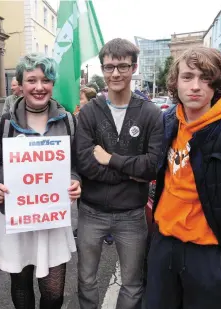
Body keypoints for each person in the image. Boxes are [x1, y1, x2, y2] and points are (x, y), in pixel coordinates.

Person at [0, 53, 81, 309]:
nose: (39, 87)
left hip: (52, 219)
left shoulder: (68, 121)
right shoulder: (4, 125)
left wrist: (74, 181)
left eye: (46, 80)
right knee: (21, 286)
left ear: (53, 84)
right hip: (17, 219)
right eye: (31, 80)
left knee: (54, 293)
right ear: (21, 84)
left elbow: (76, 167)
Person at [145, 47, 221, 309]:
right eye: (187, 77)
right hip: (164, 245)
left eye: (205, 77)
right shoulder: (168, 121)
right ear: (175, 82)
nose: (196, 86)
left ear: (218, 83)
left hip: (210, 254)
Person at [75, 38, 163, 309]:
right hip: (91, 212)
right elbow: (85, 163)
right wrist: (130, 171)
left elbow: (152, 166)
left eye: (122, 66)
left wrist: (111, 159)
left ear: (133, 67)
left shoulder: (150, 113)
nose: (115, 73)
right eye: (109, 67)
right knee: (87, 280)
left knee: (132, 284)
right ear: (102, 69)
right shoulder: (89, 112)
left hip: (131, 215)